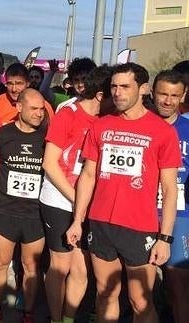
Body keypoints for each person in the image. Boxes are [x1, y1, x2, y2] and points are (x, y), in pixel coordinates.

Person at [66, 63, 181, 323]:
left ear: (143, 89)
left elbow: (170, 189)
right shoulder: (101, 126)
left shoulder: (163, 131)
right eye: (114, 87)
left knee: (140, 301)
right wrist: (77, 220)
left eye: (125, 87)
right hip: (102, 223)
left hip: (139, 226)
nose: (117, 93)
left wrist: (165, 237)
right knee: (106, 294)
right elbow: (87, 176)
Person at [39, 65, 113, 323]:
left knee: (82, 268)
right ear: (102, 95)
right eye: (113, 92)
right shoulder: (68, 113)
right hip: (59, 199)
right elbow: (50, 163)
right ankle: (55, 318)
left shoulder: (108, 120)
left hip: (88, 204)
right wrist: (77, 200)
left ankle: (69, 318)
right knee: (61, 266)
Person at [0, 88, 47, 323]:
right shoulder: (2, 135)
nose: (39, 114)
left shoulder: (47, 136)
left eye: (42, 109)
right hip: (6, 211)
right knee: (0, 264)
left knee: (31, 267)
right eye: (34, 109)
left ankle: (28, 314)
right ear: (19, 108)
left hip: (34, 214)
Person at [152, 69, 189, 323]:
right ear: (152, 93)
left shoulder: (187, 128)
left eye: (174, 95)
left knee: (179, 287)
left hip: (180, 214)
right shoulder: (140, 124)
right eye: (163, 94)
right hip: (140, 211)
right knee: (139, 287)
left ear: (183, 96)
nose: (168, 100)